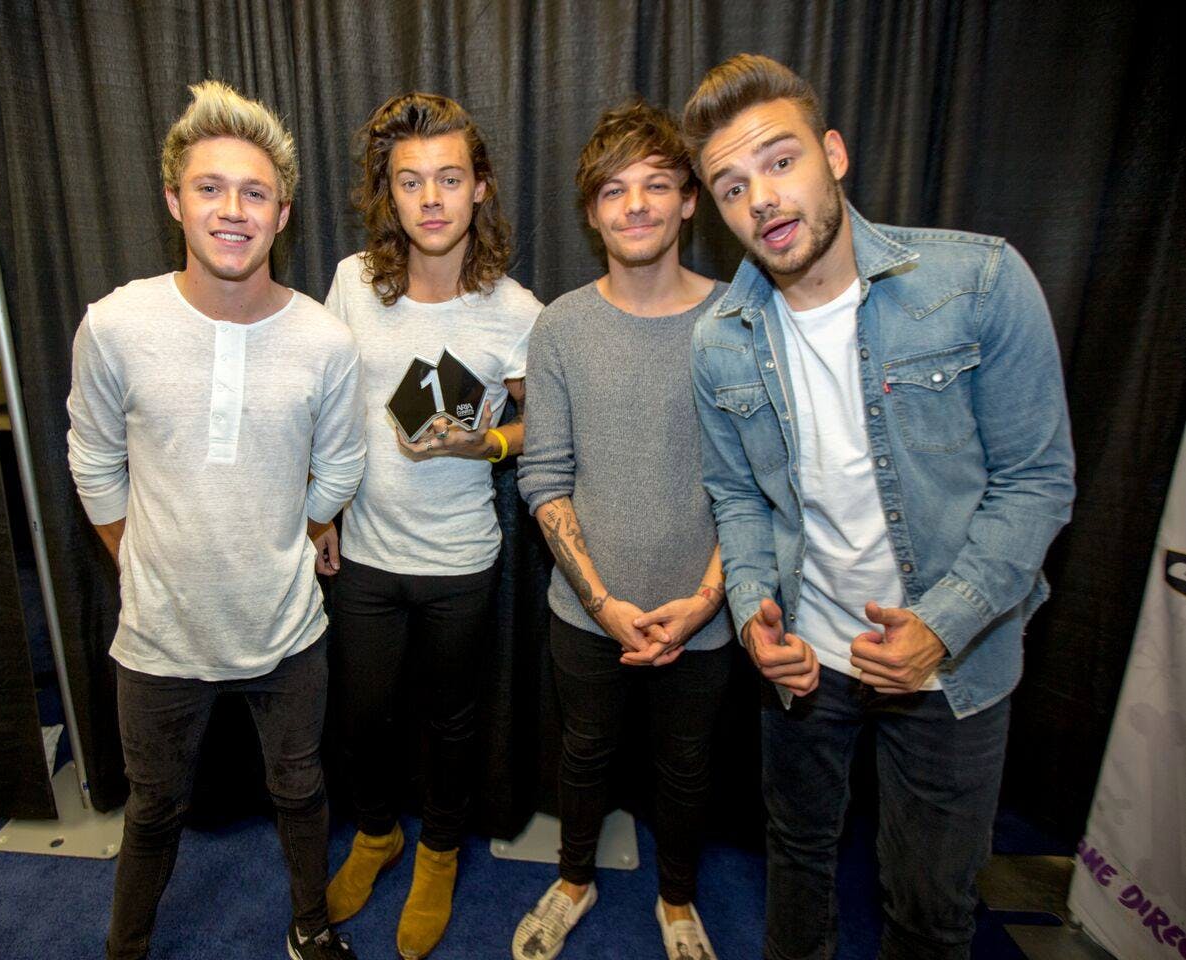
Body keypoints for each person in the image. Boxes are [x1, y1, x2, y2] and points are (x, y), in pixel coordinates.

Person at [681, 54, 1076, 960]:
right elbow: (737, 497)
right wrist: (752, 613)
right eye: (732, 187)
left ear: (833, 154)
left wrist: (941, 626)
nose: (761, 200)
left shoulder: (977, 282)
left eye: (780, 162)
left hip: (953, 665)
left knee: (931, 908)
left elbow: (1036, 482)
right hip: (805, 662)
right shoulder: (718, 342)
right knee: (795, 865)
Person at [66, 80, 365, 960]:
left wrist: (299, 534)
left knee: (301, 790)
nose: (233, 210)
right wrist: (135, 556)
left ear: (282, 214)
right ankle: (127, 947)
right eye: (210, 187)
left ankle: (310, 927)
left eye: (254, 193)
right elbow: (92, 458)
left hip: (286, 627)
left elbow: (342, 462)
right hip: (160, 635)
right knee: (155, 808)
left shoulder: (325, 341)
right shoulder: (115, 325)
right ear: (174, 201)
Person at [322, 92, 542, 960]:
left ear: (479, 187)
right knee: (362, 715)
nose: (431, 199)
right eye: (410, 181)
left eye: (449, 178)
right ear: (390, 193)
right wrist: (320, 510)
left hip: (459, 560)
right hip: (365, 554)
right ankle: (378, 835)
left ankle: (440, 853)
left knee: (452, 723)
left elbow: (545, 425)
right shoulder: (351, 282)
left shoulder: (515, 310)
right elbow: (325, 403)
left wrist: (486, 441)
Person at [513, 99, 734, 960]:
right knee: (583, 753)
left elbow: (759, 482)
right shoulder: (561, 326)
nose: (635, 204)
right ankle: (574, 880)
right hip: (586, 610)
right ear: (592, 211)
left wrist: (705, 601)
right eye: (613, 189)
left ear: (688, 200)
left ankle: (677, 902)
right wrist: (602, 602)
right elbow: (544, 475)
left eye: (655, 185)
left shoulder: (737, 321)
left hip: (703, 612)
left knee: (688, 765)